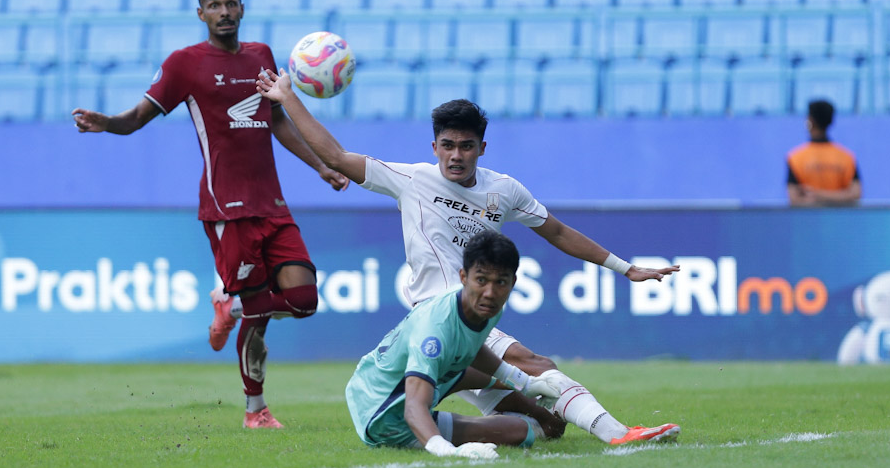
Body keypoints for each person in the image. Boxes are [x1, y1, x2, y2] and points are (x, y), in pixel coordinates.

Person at [255, 70, 682, 447]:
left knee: (551, 426)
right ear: (434, 146)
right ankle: (620, 434)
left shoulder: (504, 190)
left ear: (482, 147)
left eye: (465, 146)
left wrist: (625, 268)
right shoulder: (410, 179)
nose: (455, 155)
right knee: (535, 365)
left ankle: (505, 427)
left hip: (475, 319)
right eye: (447, 146)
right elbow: (334, 156)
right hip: (440, 314)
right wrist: (289, 97)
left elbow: (556, 230)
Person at [72, 0, 349, 429]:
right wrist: (109, 122)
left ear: (242, 7)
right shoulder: (185, 63)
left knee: (303, 299)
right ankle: (255, 411)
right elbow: (140, 116)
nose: (224, 12)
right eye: (214, 5)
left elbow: (276, 120)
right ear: (200, 13)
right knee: (260, 316)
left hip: (273, 204)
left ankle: (233, 304)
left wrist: (320, 166)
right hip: (227, 208)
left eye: (231, 3)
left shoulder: (261, 55)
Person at [346, 231, 565, 458]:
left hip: (384, 383)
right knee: (521, 432)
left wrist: (526, 383)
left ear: (513, 282)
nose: (490, 292)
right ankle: (486, 426)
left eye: (500, 282)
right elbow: (413, 408)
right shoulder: (434, 333)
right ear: (463, 277)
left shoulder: (482, 306)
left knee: (501, 386)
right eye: (481, 280)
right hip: (386, 416)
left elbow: (472, 349)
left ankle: (499, 415)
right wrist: (449, 451)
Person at [787, 99, 862, 207]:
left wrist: (816, 195)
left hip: (807, 220)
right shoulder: (846, 157)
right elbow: (855, 194)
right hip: (840, 220)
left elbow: (794, 199)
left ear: (810, 121)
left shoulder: (795, 157)